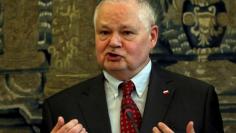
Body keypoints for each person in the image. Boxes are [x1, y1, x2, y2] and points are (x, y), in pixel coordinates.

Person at [41, 0, 224, 133]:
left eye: (126, 33)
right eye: (104, 32)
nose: (113, 42)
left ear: (152, 37)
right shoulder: (60, 109)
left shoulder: (198, 99)